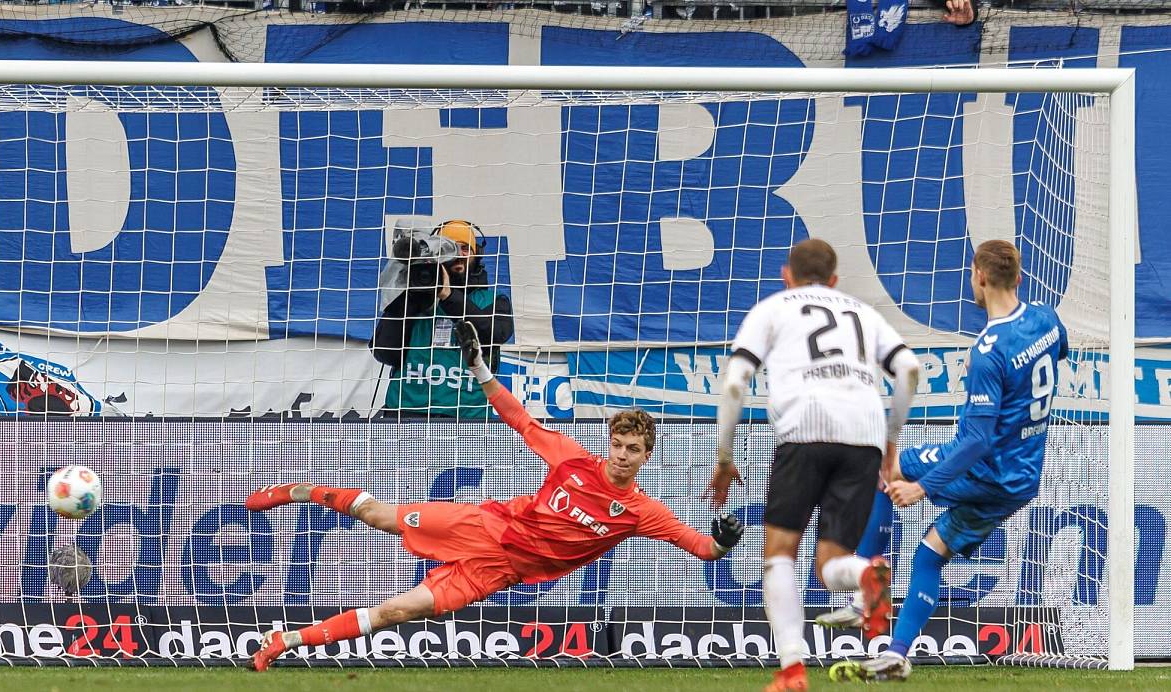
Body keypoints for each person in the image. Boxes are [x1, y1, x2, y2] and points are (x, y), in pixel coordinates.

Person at [246, 321, 744, 671]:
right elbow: (518, 418)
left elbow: (701, 548)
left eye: (633, 449)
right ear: (608, 442)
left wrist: (723, 542)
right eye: (617, 444)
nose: (621, 455)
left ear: (646, 456)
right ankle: (298, 490)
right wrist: (481, 368)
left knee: (394, 613)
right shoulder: (572, 459)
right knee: (379, 516)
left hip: (496, 572)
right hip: (483, 526)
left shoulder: (643, 512)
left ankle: (283, 641)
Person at [825, 240, 1069, 682]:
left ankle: (868, 594)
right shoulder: (1046, 318)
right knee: (929, 556)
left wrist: (923, 487)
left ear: (979, 276)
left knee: (885, 469)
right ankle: (897, 654)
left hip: (986, 468)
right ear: (1018, 278)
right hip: (1022, 478)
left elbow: (976, 440)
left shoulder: (989, 350)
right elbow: (1059, 352)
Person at [707, 238, 922, 692]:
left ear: (787, 276)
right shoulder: (862, 312)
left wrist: (725, 458)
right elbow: (908, 369)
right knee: (830, 565)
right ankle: (864, 574)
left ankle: (792, 670)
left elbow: (735, 383)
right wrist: (890, 440)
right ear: (835, 279)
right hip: (863, 438)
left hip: (804, 432)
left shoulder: (773, 308)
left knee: (779, 556)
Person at [372, 219, 514, 418]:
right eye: (450, 248)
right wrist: (409, 295)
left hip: (468, 416)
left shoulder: (494, 300)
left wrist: (448, 295)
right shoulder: (414, 294)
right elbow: (385, 353)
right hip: (407, 412)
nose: (458, 254)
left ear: (477, 254)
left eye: (465, 248)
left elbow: (496, 333)